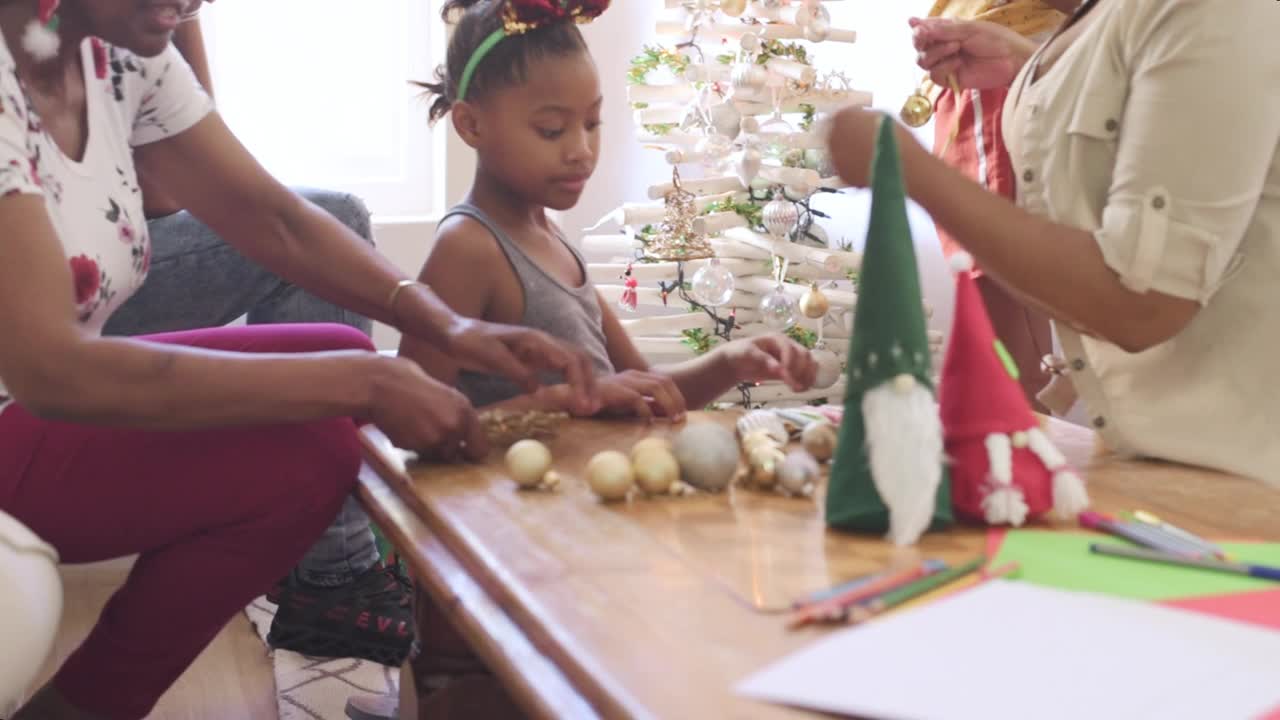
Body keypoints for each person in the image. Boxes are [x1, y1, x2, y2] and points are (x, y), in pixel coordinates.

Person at [0, 1, 600, 718]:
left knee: (336, 350)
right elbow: (52, 372)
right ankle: (91, 705)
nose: (196, 5)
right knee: (317, 436)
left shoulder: (118, 51)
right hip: (30, 396)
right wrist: (368, 379)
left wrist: (447, 324)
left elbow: (274, 218)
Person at [384, 1, 818, 715]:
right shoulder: (467, 249)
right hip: (505, 558)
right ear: (471, 125)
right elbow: (418, 424)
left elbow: (638, 388)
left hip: (581, 537)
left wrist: (734, 362)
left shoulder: (553, 241)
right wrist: (555, 406)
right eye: (552, 128)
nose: (581, 148)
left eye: (592, 122)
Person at [826, 0, 1280, 483]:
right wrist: (1027, 62)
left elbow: (1143, 303)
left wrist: (910, 170)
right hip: (1156, 468)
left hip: (1244, 485)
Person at [104, 3, 418, 666]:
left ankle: (322, 563)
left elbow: (214, 180)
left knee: (321, 228)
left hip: (101, 264)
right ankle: (330, 574)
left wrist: (438, 320)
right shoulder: (50, 35)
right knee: (331, 223)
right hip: (52, 297)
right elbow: (168, 191)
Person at [905, 0, 1066, 410]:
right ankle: (1012, 444)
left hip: (1004, 84)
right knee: (983, 283)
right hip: (971, 87)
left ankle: (1019, 446)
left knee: (1001, 282)